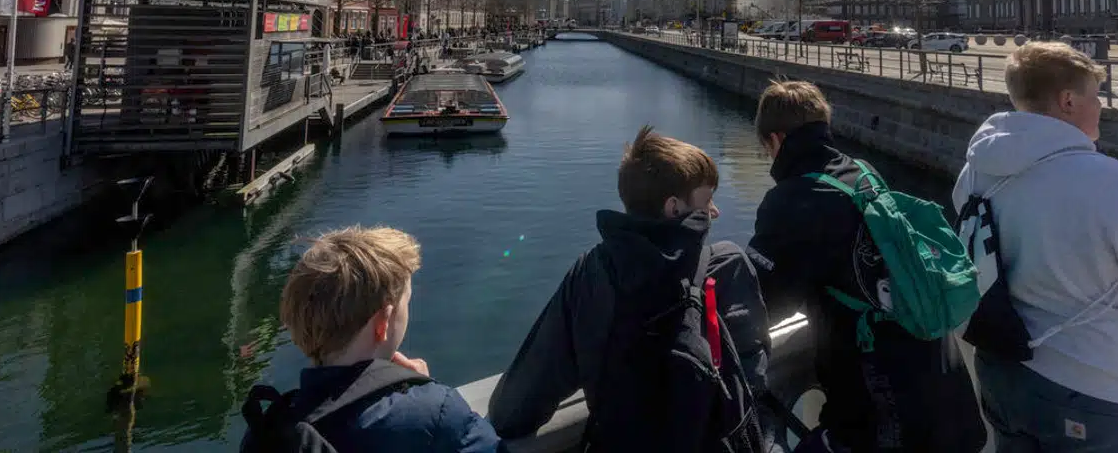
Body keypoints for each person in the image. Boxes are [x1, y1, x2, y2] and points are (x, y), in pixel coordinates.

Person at [954, 42, 1118, 453]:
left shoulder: (976, 169)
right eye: (1096, 96)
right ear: (1068, 101)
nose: (1102, 107)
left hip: (1002, 372)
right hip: (1097, 389)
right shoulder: (1106, 181)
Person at [488, 125, 770, 452]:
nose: (714, 211)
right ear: (674, 207)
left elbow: (515, 407)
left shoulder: (592, 272)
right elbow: (754, 381)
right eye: (707, 200)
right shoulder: (728, 266)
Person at [746, 79, 985, 453]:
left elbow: (763, 301)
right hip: (944, 387)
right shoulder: (863, 173)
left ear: (775, 140)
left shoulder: (791, 200)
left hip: (880, 410)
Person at [241, 226, 503, 453]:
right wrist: (426, 391)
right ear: (383, 322)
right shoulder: (433, 414)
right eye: (407, 302)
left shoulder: (266, 429)